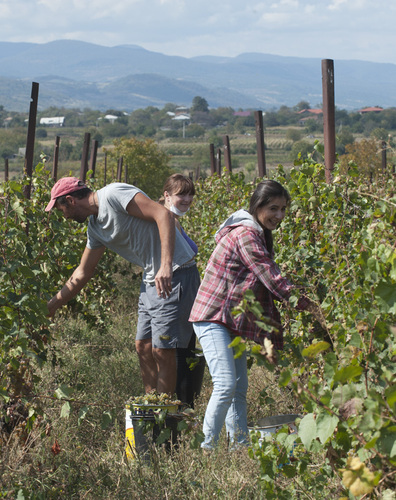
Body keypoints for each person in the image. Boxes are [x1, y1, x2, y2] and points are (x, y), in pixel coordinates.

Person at [189, 179, 315, 451]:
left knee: (238, 389)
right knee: (224, 385)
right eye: (273, 208)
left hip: (229, 319)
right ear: (258, 206)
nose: (279, 216)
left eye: (283, 209)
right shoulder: (246, 235)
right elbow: (272, 278)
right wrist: (310, 305)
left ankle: (239, 447)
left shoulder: (256, 232)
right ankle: (206, 449)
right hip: (213, 316)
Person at [45, 177, 199, 396]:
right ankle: (149, 405)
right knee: (143, 347)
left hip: (176, 272)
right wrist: (52, 305)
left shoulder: (114, 195)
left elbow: (163, 214)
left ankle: (164, 416)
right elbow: (82, 273)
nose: (64, 216)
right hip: (151, 278)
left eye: (61, 209)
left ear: (70, 200)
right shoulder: (95, 228)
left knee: (162, 351)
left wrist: (165, 266)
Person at [160, 174, 201, 408]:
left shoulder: (174, 219)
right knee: (179, 346)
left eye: (190, 194)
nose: (187, 199)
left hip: (187, 284)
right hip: (177, 286)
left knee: (185, 343)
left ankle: (184, 406)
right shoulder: (165, 220)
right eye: (181, 194)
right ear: (167, 195)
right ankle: (180, 406)